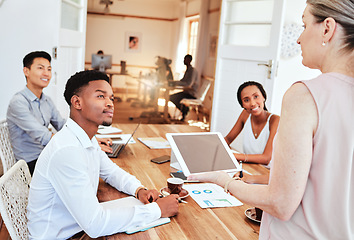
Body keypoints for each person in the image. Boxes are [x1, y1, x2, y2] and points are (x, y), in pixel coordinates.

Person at [188, 0, 354, 239]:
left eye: (304, 25)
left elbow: (280, 203)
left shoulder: (304, 96)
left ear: (327, 28)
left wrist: (222, 180)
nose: (298, 39)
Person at [27, 70, 179, 239]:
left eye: (111, 98)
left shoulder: (86, 138)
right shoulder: (67, 150)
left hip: (77, 229)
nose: (110, 103)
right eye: (101, 96)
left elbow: (110, 171)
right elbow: (95, 224)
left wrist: (138, 190)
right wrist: (157, 210)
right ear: (77, 102)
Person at [6, 51, 113, 175]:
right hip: (30, 163)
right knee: (85, 165)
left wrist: (92, 138)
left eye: (49, 69)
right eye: (40, 68)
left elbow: (63, 124)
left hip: (47, 154)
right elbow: (43, 136)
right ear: (26, 71)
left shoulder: (46, 100)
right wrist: (84, 143)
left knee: (94, 160)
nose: (46, 73)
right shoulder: (18, 102)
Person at [225, 81, 280, 184]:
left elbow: (266, 159)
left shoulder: (275, 120)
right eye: (246, 100)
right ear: (242, 105)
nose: (253, 103)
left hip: (267, 176)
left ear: (263, 97)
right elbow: (228, 139)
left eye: (256, 97)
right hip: (249, 169)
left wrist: (234, 156)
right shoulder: (245, 115)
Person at [169, 54, 200, 121]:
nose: (184, 61)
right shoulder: (188, 70)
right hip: (186, 92)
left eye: (185, 59)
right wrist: (174, 82)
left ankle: (184, 111)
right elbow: (183, 81)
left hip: (191, 94)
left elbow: (189, 84)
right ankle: (184, 110)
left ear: (189, 60)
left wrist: (176, 83)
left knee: (172, 97)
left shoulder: (192, 71)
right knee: (171, 97)